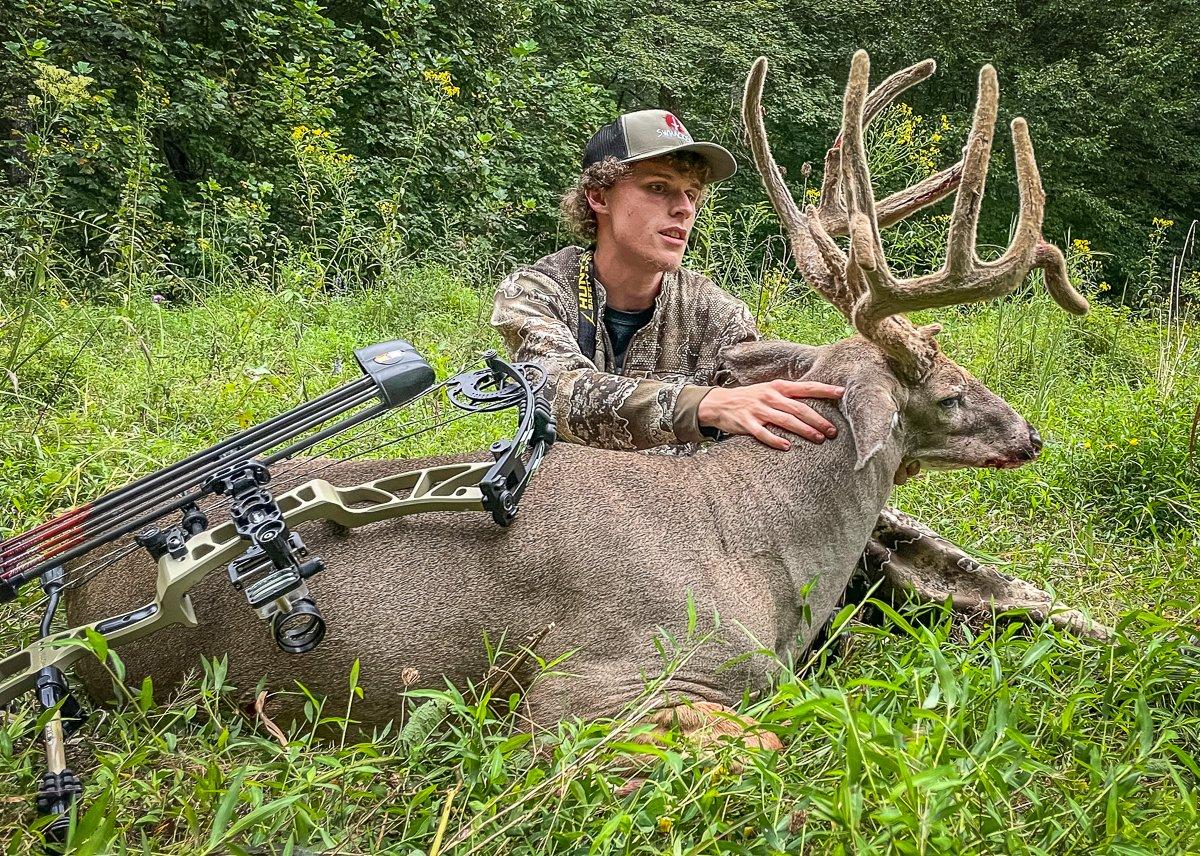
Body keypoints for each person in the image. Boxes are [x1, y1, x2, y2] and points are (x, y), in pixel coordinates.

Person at [490, 109, 848, 455]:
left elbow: (760, 400)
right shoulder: (537, 292)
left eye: (692, 194)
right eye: (659, 187)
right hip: (563, 505)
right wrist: (705, 405)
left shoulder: (718, 314)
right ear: (599, 197)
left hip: (677, 510)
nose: (684, 208)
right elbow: (555, 392)